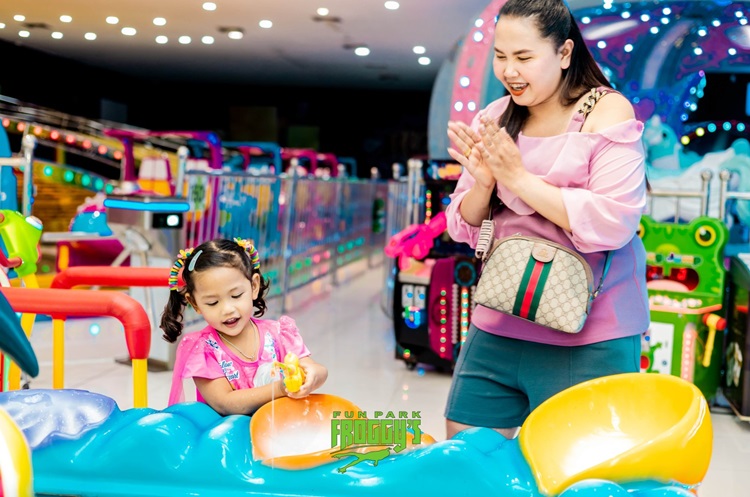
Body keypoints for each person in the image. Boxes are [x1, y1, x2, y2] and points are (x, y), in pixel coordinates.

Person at [443, 0, 649, 440]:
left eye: (523, 57)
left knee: (579, 466)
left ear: (564, 53)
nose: (509, 71)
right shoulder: (495, 118)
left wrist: (515, 177)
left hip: (592, 333)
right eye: (500, 56)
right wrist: (482, 185)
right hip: (500, 319)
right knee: (466, 447)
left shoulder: (607, 112)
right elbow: (461, 226)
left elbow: (614, 223)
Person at [160, 238, 328, 415]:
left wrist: (313, 376)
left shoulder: (279, 333)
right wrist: (280, 388)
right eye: (212, 302)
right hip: (228, 439)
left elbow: (316, 368)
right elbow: (225, 403)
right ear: (194, 303)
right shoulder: (205, 351)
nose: (227, 309)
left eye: (236, 295)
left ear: (254, 286)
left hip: (278, 433)